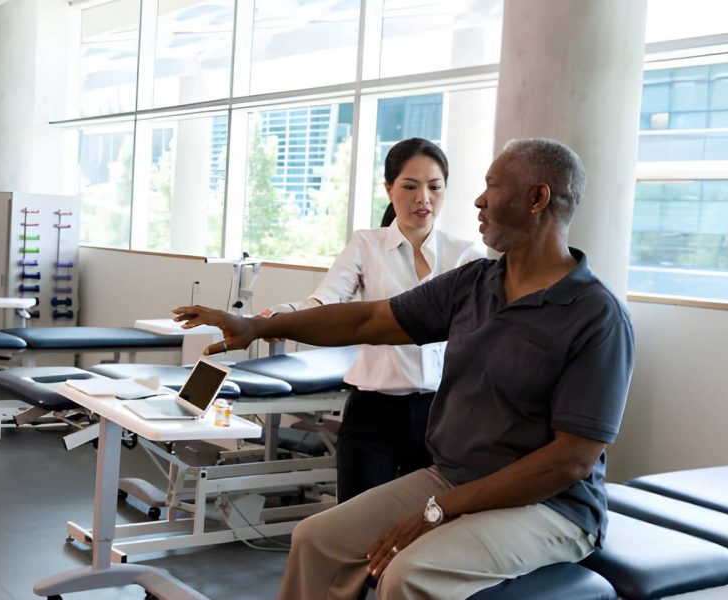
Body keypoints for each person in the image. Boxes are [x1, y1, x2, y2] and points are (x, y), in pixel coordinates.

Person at [174, 138, 635, 600]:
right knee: (316, 539)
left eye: (492, 186)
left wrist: (443, 508)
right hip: (455, 475)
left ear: (537, 199)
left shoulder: (595, 314)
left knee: (407, 572)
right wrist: (255, 325)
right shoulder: (475, 283)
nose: (477, 199)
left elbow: (570, 460)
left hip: (551, 508)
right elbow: (369, 319)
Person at [260, 137, 482, 502]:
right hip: (374, 409)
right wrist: (284, 317)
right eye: (409, 186)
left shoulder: (465, 255)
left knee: (425, 522)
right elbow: (326, 299)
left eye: (434, 187)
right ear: (389, 188)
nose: (422, 198)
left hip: (441, 412)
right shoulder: (366, 245)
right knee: (355, 516)